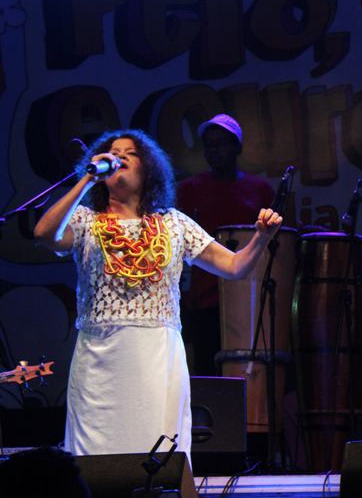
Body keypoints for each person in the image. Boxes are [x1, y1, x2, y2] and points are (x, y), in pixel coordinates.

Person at [33, 129, 282, 458]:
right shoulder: (85, 221)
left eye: (129, 153)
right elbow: (44, 233)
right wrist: (86, 180)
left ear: (148, 167)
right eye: (112, 152)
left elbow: (235, 267)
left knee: (159, 448)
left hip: (157, 355)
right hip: (99, 358)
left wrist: (261, 238)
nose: (118, 158)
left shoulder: (173, 224)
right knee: (96, 454)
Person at [177, 114, 275, 376]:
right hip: (205, 298)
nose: (214, 150)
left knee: (248, 370)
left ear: (237, 147)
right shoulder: (189, 189)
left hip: (250, 297)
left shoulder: (260, 189)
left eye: (221, 143)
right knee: (209, 370)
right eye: (209, 144)